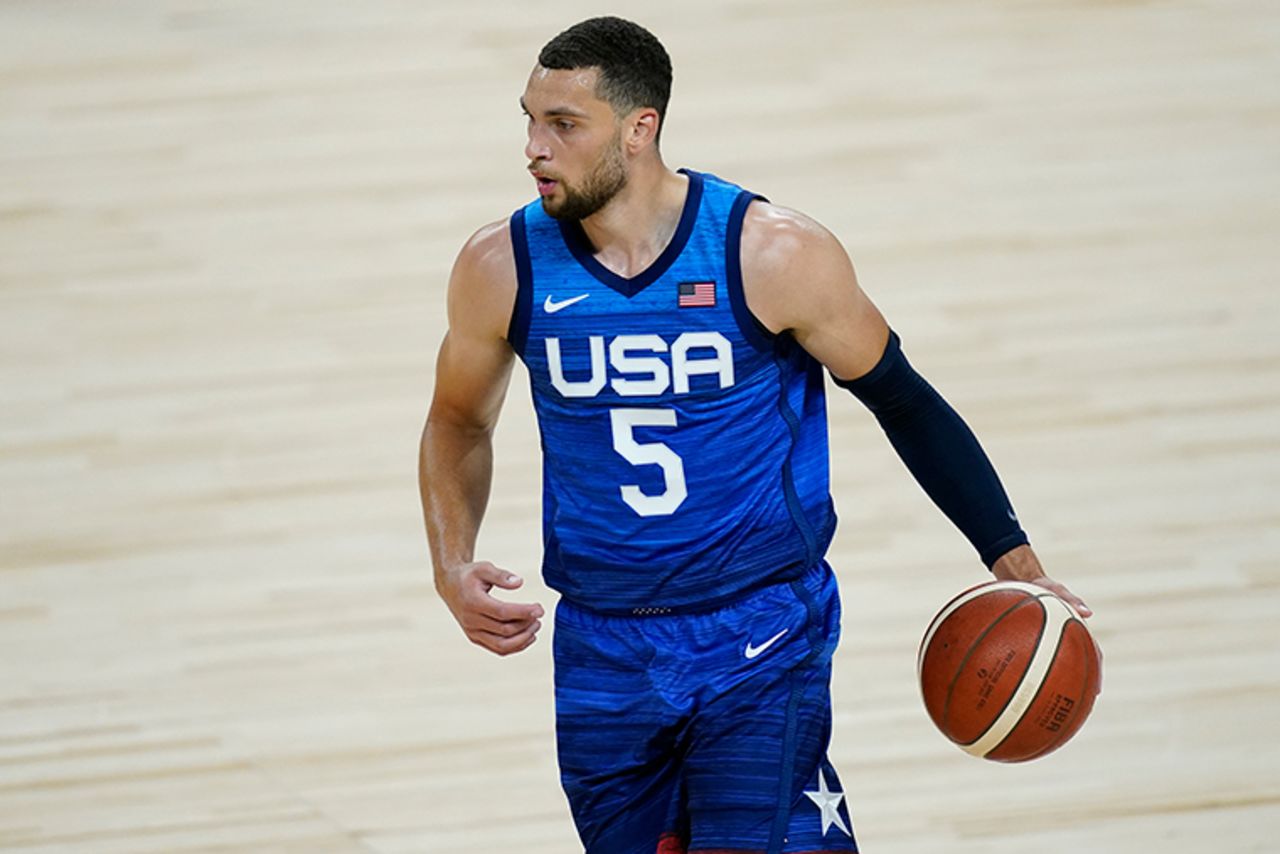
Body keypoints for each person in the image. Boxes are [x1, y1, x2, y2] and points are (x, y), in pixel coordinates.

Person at [419, 16, 1091, 854]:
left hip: (761, 631)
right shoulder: (501, 265)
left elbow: (905, 400)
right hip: (601, 646)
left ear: (639, 130)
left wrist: (1010, 554)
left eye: (563, 124)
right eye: (528, 118)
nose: (533, 148)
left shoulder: (770, 253)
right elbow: (457, 420)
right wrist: (451, 563)